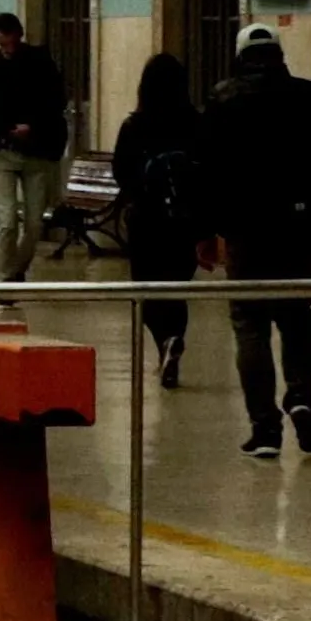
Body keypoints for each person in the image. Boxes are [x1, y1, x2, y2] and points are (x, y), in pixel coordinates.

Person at [204, 25, 311, 457]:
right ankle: (299, 396)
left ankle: (265, 429)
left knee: (249, 322)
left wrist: (206, 231)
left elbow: (210, 170)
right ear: (278, 54)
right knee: (297, 311)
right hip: (296, 226)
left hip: (243, 229)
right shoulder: (309, 97)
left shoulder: (223, 99)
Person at [106, 51, 207, 384]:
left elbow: (120, 171)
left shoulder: (135, 125)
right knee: (176, 287)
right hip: (184, 220)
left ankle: (164, 340)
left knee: (147, 288)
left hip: (146, 220)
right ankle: (174, 336)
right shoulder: (196, 123)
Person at [0, 14, 66, 278]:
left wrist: (33, 127)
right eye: (5, 43)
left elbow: (57, 101)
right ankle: (7, 278)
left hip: (37, 151)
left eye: (13, 41)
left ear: (20, 34)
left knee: (35, 223)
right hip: (2, 151)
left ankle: (16, 270)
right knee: (7, 222)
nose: (10, 48)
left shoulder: (40, 61)